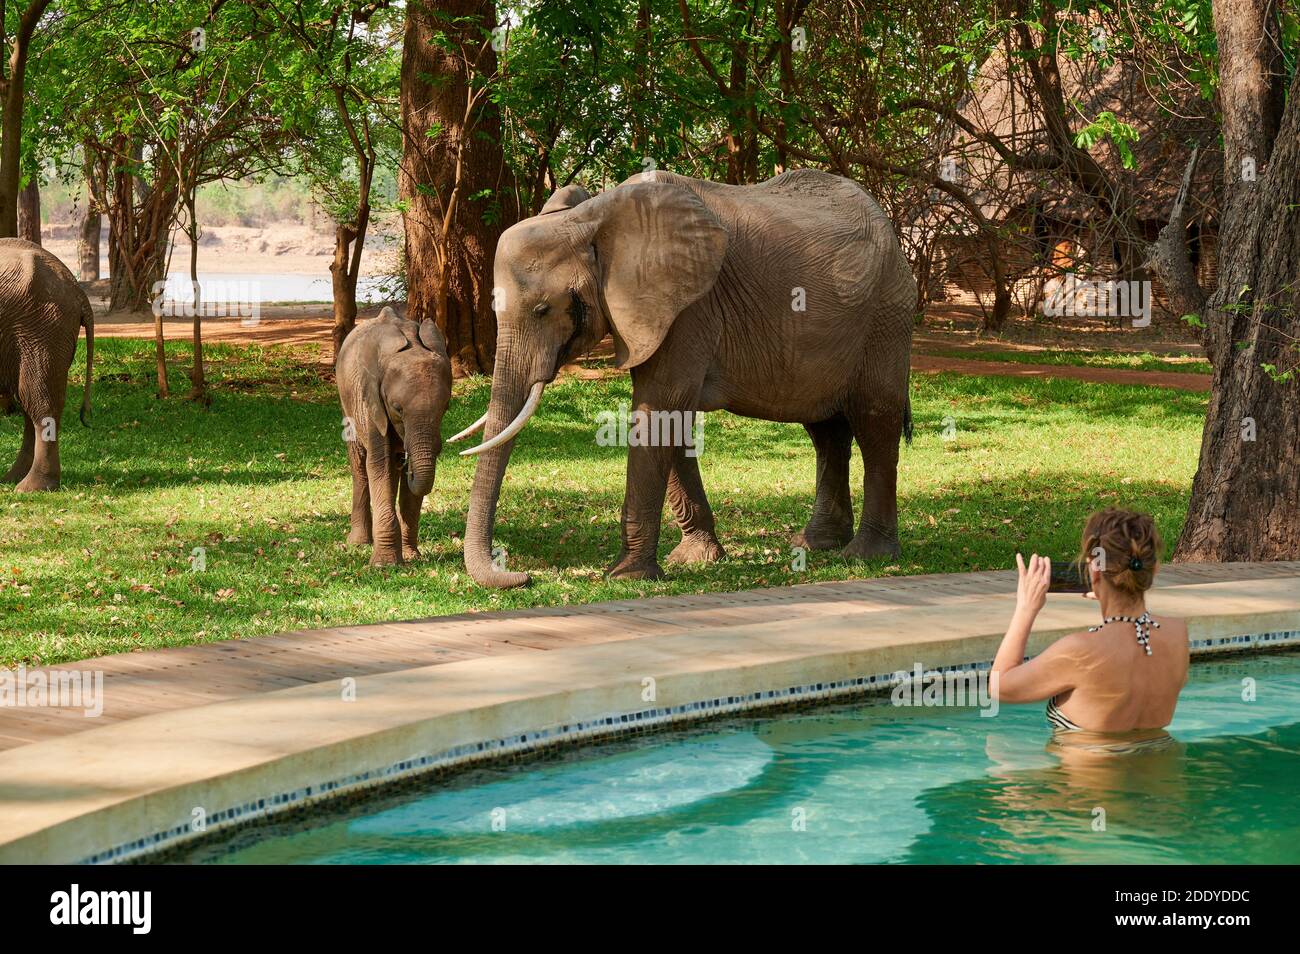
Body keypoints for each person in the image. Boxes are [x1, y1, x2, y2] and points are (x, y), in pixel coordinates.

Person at [990, 508, 1189, 736]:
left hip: (1088, 770)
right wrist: (1110, 596)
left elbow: (999, 686)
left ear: (1094, 572)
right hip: (1160, 767)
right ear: (1154, 569)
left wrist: (1026, 608)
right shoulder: (1178, 636)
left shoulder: (1078, 651)